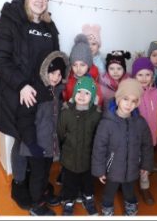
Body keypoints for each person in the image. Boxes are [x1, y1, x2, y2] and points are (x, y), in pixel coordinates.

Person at [0, 0, 60, 210]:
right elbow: (1, 62)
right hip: (17, 94)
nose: (40, 0)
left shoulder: (48, 26)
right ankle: (20, 184)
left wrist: (56, 74)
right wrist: (22, 85)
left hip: (43, 97)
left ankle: (38, 184)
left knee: (39, 141)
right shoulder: (9, 22)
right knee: (23, 141)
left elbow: (54, 60)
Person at [91, 78, 154, 216]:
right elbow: (99, 148)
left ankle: (131, 205)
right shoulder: (107, 123)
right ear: (118, 98)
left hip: (132, 169)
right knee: (109, 193)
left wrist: (146, 165)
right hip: (112, 170)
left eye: (134, 101)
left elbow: (147, 146)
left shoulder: (140, 123)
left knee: (129, 191)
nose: (129, 104)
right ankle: (107, 207)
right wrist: (99, 170)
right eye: (126, 99)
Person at [15, 51, 67, 216]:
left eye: (59, 74)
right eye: (52, 72)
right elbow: (25, 120)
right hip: (35, 146)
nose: (56, 77)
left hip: (49, 145)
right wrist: (32, 144)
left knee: (45, 172)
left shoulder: (57, 92)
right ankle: (35, 205)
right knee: (37, 175)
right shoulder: (34, 92)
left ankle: (43, 193)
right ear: (45, 70)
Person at [57, 75, 101, 216]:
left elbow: (97, 136)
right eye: (79, 91)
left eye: (87, 93)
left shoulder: (95, 115)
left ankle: (88, 199)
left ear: (92, 96)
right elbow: (61, 133)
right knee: (69, 182)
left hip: (88, 159)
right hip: (69, 158)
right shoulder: (66, 113)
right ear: (74, 93)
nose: (82, 95)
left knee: (87, 182)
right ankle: (68, 201)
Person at [132, 57, 157, 205]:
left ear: (152, 75)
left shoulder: (156, 93)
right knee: (132, 161)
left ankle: (145, 187)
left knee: (145, 164)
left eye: (147, 74)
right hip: (135, 137)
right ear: (134, 76)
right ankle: (128, 186)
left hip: (150, 136)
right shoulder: (132, 94)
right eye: (140, 75)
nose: (144, 78)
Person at [63, 34, 100, 105]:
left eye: (82, 65)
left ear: (88, 64)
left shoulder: (94, 79)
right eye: (74, 65)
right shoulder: (68, 79)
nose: (78, 69)